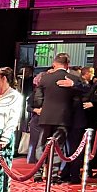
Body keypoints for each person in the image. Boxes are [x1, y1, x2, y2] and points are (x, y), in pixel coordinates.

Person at [36, 52, 77, 180]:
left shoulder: (45, 78)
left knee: (41, 145)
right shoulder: (72, 78)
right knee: (58, 146)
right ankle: (53, 175)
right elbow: (84, 92)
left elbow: (38, 98)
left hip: (46, 116)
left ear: (54, 63)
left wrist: (42, 106)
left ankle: (37, 173)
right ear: (67, 64)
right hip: (63, 117)